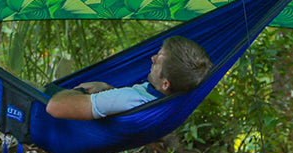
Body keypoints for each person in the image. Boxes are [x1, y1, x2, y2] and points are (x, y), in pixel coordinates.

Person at [44, 35, 212, 121]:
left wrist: (79, 90)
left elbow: (55, 107)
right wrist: (106, 88)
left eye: (158, 61)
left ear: (165, 83)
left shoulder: (127, 99)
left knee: (24, 87)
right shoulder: (170, 100)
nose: (152, 58)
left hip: (45, 111)